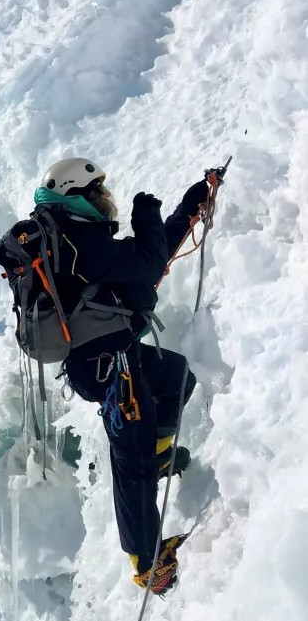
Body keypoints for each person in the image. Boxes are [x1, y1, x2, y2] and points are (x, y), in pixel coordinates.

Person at [35, 157, 210, 594]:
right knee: (130, 461)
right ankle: (148, 562)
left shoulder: (78, 241)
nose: (105, 201)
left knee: (175, 376)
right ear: (78, 196)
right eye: (99, 193)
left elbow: (145, 259)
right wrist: (146, 214)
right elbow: (148, 265)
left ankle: (160, 454)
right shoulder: (79, 242)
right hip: (108, 367)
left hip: (113, 357)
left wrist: (191, 204)